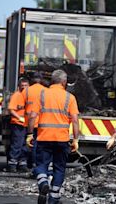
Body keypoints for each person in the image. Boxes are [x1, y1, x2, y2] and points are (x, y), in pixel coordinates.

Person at [27, 69, 79, 204]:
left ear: (52, 81)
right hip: (62, 140)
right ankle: (53, 199)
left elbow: (32, 116)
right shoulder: (70, 97)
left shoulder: (42, 95)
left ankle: (43, 182)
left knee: (41, 164)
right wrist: (75, 139)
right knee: (59, 168)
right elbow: (74, 119)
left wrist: (29, 134)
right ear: (64, 82)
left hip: (44, 138)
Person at [21, 72, 47, 167]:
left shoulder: (26, 91)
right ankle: (36, 163)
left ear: (32, 80)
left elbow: (20, 105)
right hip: (42, 123)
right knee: (38, 145)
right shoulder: (46, 91)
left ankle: (27, 163)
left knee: (28, 144)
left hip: (29, 123)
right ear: (41, 80)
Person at [7, 78, 30, 172]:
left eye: (26, 85)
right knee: (17, 144)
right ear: (19, 86)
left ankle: (22, 163)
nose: (24, 87)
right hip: (18, 124)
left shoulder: (29, 95)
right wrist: (19, 117)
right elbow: (11, 109)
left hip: (26, 124)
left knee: (25, 145)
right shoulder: (17, 95)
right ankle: (12, 164)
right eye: (22, 85)